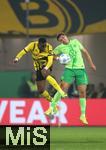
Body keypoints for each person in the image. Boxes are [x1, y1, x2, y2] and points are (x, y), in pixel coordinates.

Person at [45, 33, 96, 125]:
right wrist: (58, 58)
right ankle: (51, 107)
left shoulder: (76, 42)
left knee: (82, 92)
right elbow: (50, 55)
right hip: (69, 70)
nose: (63, 39)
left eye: (63, 37)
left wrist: (91, 64)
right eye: (60, 39)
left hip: (80, 69)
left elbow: (85, 52)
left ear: (66, 36)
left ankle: (83, 115)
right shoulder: (60, 48)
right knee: (62, 88)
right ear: (60, 41)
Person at [13, 37, 66, 104]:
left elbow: (50, 60)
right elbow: (23, 51)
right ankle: (52, 101)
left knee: (44, 73)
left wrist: (46, 68)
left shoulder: (49, 47)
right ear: (39, 44)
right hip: (38, 67)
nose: (44, 47)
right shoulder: (32, 45)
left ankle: (60, 91)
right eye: (42, 46)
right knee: (40, 90)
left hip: (47, 64)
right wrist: (17, 58)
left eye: (45, 45)